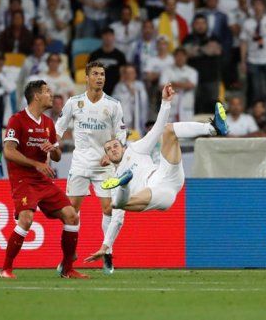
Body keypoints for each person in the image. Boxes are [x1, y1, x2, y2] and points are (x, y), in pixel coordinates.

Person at [84, 84, 228, 262]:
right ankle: (125, 184)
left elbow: (157, 128)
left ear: (122, 146)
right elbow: (117, 221)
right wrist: (106, 247)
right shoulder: (112, 180)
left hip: (166, 174)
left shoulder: (136, 149)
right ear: (106, 156)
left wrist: (165, 102)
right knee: (117, 206)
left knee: (168, 130)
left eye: (115, 145)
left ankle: (214, 128)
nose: (113, 149)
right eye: (109, 149)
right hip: (158, 192)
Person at [0, 80, 87, 279]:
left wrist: (53, 148)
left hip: (42, 181)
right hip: (23, 179)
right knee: (26, 219)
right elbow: (8, 151)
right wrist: (36, 163)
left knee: (71, 215)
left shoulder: (48, 123)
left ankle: (67, 269)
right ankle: (6, 269)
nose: (51, 94)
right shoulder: (17, 120)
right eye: (47, 91)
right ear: (37, 96)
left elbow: (56, 156)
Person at [54, 62, 126, 274]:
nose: (99, 77)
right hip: (79, 164)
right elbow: (58, 129)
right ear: (86, 77)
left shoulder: (113, 105)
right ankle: (69, 256)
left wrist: (110, 155)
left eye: (102, 74)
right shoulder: (74, 103)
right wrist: (52, 146)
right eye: (95, 74)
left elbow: (121, 135)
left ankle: (108, 251)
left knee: (108, 209)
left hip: (104, 166)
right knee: (71, 211)